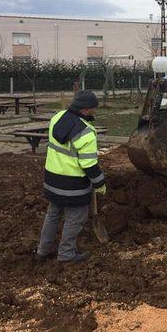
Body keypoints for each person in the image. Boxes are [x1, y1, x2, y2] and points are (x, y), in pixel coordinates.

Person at [36, 90, 107, 263]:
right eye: (93, 109)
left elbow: (65, 147)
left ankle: (43, 250)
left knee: (53, 214)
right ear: (85, 110)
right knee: (75, 218)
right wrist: (100, 183)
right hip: (73, 185)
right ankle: (66, 254)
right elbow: (89, 165)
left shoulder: (57, 117)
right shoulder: (86, 133)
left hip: (52, 179)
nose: (94, 111)